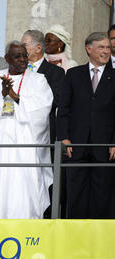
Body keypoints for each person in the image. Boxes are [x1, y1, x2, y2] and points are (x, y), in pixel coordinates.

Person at [0, 41, 53, 219]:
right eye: (17, 56)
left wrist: (14, 95)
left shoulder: (38, 79)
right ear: (7, 58)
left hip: (25, 141)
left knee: (23, 185)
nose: (23, 59)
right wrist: (2, 94)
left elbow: (42, 109)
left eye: (25, 55)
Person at [57, 32, 115, 219]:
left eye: (108, 47)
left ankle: (100, 242)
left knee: (102, 197)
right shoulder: (74, 74)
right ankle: (75, 240)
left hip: (105, 147)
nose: (106, 51)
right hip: (76, 146)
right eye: (101, 47)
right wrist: (64, 138)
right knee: (76, 196)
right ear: (88, 49)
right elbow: (63, 109)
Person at [22, 29, 65, 144]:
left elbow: (55, 99)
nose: (20, 49)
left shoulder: (56, 72)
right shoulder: (18, 70)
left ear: (38, 48)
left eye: (24, 45)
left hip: (43, 129)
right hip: (19, 128)